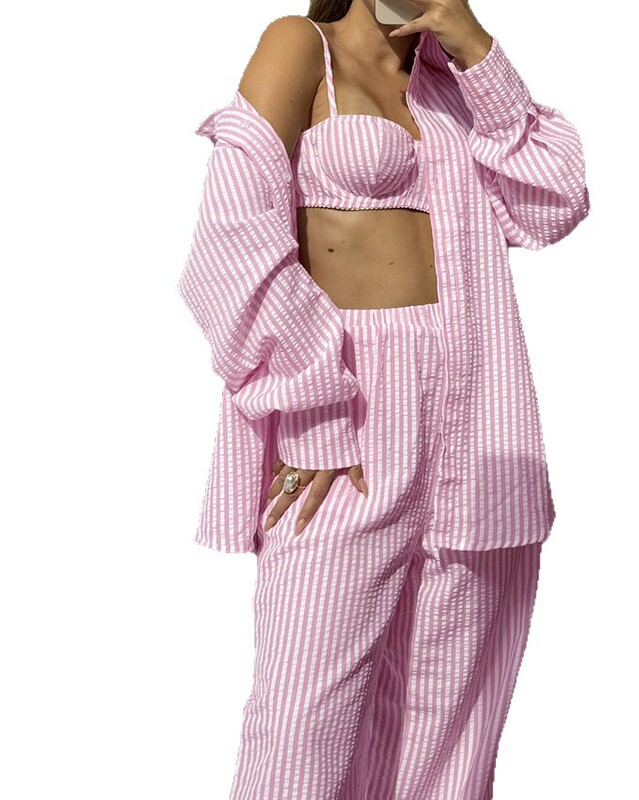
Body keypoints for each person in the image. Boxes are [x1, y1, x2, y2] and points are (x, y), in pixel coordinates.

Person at [178, 0, 590, 796]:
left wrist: (474, 45)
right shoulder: (301, 46)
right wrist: (312, 417)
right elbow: (232, 240)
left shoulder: (455, 84)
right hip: (351, 416)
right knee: (300, 728)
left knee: (447, 729)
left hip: (481, 416)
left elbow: (554, 202)